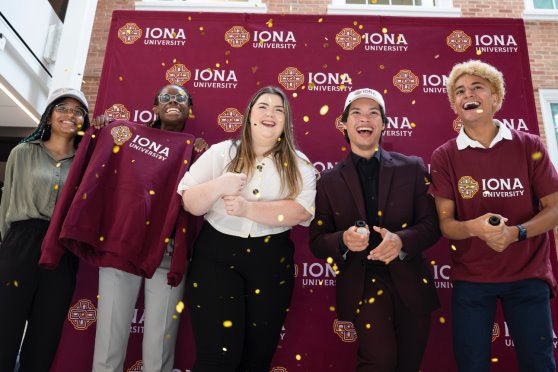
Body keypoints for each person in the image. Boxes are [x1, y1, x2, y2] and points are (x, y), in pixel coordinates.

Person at [429, 60, 558, 372]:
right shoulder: (444, 155)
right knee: (472, 365)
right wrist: (473, 228)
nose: (468, 94)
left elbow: (555, 208)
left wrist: (517, 233)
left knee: (539, 364)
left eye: (477, 88)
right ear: (454, 105)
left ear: (495, 97)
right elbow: (446, 224)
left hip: (528, 276)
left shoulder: (529, 145)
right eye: (459, 91)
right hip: (472, 280)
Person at [178, 85, 317, 371]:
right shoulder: (221, 153)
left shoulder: (299, 164)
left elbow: (300, 212)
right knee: (218, 357)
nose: (270, 114)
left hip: (271, 262)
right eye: (263, 107)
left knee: (257, 359)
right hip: (216, 258)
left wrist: (248, 209)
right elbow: (190, 202)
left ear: (286, 120)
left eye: (279, 109)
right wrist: (219, 185)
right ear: (250, 114)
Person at [309, 88, 440, 372]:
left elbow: (431, 226)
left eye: (373, 113)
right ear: (344, 123)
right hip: (362, 283)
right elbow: (317, 241)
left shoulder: (413, 168)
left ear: (384, 123)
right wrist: (342, 240)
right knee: (379, 362)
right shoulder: (328, 181)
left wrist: (401, 241)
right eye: (356, 113)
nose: (364, 119)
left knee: (408, 365)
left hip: (411, 283)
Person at [89, 84, 207, 372]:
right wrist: (105, 128)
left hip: (166, 253)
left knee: (160, 344)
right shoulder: (127, 135)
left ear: (189, 108)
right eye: (165, 96)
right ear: (154, 107)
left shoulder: (197, 149)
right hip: (122, 248)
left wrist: (200, 156)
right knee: (108, 342)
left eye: (180, 98)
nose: (172, 101)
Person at [0, 88, 90, 371]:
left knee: (46, 332)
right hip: (21, 244)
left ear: (83, 121)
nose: (70, 115)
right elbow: (6, 206)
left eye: (78, 111)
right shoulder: (23, 152)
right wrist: (10, 249)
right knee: (5, 325)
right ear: (49, 115)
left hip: (62, 249)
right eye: (62, 107)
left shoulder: (85, 164)